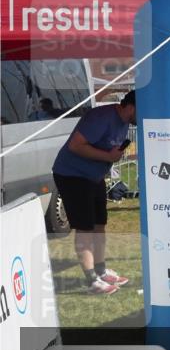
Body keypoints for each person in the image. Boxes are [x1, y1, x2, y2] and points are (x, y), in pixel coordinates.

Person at [51, 90, 136, 294]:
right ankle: (92, 280)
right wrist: (108, 156)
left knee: (99, 224)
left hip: (93, 177)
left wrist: (109, 157)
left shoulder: (124, 121)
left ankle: (101, 270)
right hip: (72, 175)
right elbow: (75, 146)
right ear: (132, 107)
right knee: (85, 227)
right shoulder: (102, 117)